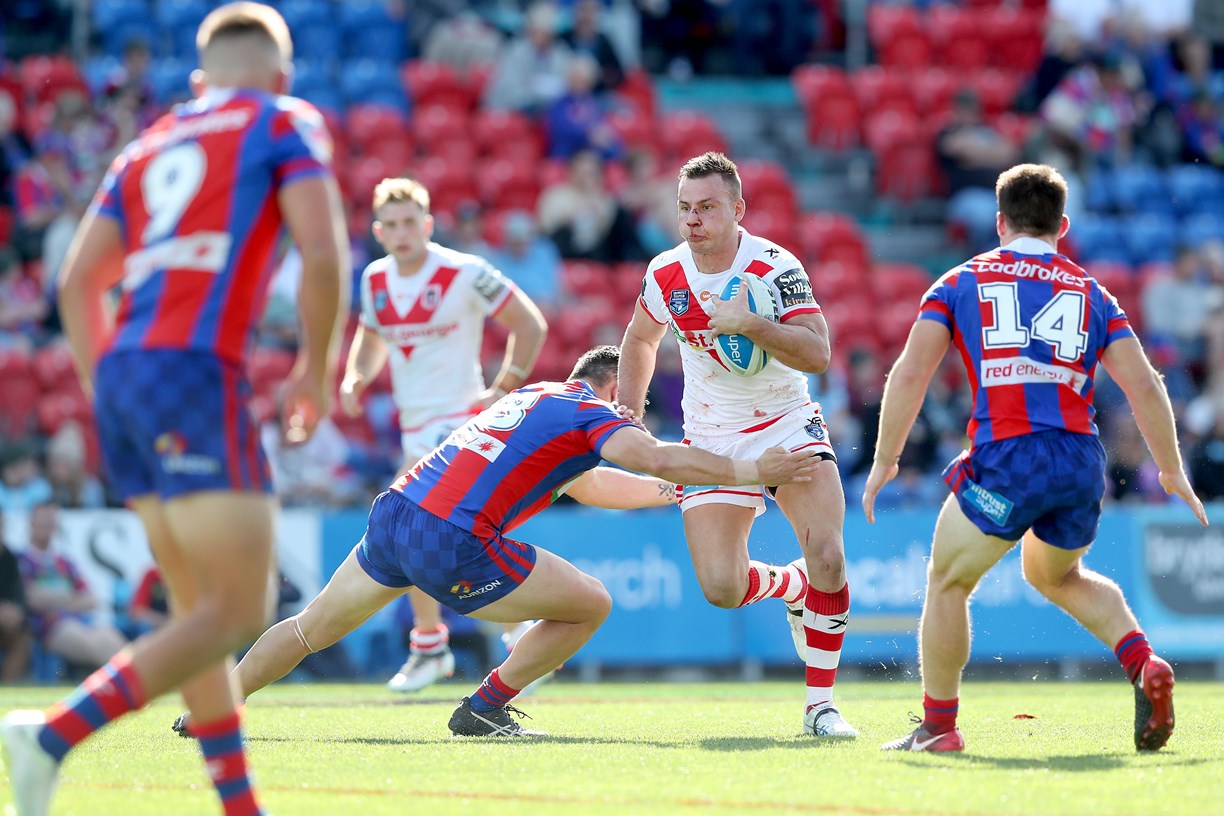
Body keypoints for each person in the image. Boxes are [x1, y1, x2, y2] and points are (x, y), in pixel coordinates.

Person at [0, 5, 349, 816]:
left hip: (124, 370)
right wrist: (315, 369)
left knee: (196, 611)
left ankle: (238, 804)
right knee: (240, 608)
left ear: (199, 80)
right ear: (281, 74)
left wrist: (108, 388)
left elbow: (76, 283)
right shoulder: (283, 118)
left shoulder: (149, 142)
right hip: (194, 368)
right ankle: (51, 736)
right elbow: (323, 253)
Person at [170, 345, 822, 737]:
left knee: (311, 627)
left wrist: (680, 493)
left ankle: (215, 705)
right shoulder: (592, 412)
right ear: (613, 387)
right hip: (451, 537)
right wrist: (747, 471)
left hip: (398, 511)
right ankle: (484, 709)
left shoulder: (542, 398)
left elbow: (597, 486)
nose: (634, 412)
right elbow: (651, 456)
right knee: (591, 604)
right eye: (634, 398)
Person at [862, 163, 1209, 753]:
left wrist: (885, 460)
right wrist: (1172, 469)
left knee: (947, 581)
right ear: (1062, 226)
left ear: (1000, 222)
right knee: (1055, 574)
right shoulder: (1092, 292)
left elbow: (912, 372)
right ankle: (1143, 661)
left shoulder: (959, 282)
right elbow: (1147, 386)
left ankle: (939, 728)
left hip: (1008, 456)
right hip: (1079, 460)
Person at [618, 151, 858, 738]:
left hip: (786, 422)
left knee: (828, 555)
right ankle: (793, 586)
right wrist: (630, 410)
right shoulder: (665, 272)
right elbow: (641, 340)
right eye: (685, 208)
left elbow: (819, 353)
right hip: (712, 436)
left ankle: (821, 707)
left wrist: (752, 324)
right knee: (722, 589)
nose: (693, 219)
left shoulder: (774, 267)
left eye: (707, 207)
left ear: (738, 210)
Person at [338, 177, 548, 694]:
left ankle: (444, 643)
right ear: (378, 232)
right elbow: (371, 335)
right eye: (391, 224)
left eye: (411, 222)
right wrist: (356, 375)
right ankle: (484, 636)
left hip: (460, 422)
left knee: (411, 528)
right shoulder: (374, 279)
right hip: (414, 428)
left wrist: (504, 387)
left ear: (428, 224)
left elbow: (530, 323)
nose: (402, 232)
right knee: (438, 538)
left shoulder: (465, 271)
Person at [17, 501, 128, 670]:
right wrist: (70, 599)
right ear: (31, 523)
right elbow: (30, 597)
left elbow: (91, 599)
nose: (46, 526)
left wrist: (54, 599)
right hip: (49, 627)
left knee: (112, 637)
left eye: (50, 522)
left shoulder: (64, 562)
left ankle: (138, 673)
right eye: (42, 521)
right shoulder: (20, 560)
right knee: (90, 643)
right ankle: (129, 677)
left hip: (81, 621)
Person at [0, 507, 31, 684]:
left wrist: (16, 612)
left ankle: (6, 686)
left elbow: (20, 597)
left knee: (23, 636)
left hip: (5, 625)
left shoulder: (9, 559)